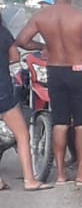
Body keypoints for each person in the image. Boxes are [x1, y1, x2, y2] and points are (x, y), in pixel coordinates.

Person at [15, 0, 82, 185]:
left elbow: (22, 40)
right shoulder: (81, 16)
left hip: (55, 72)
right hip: (79, 71)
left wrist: (42, 48)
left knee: (60, 123)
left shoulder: (41, 16)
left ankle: (60, 174)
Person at [0, 20, 50, 191]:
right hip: (3, 94)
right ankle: (29, 180)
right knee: (22, 135)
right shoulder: (4, 32)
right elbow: (14, 57)